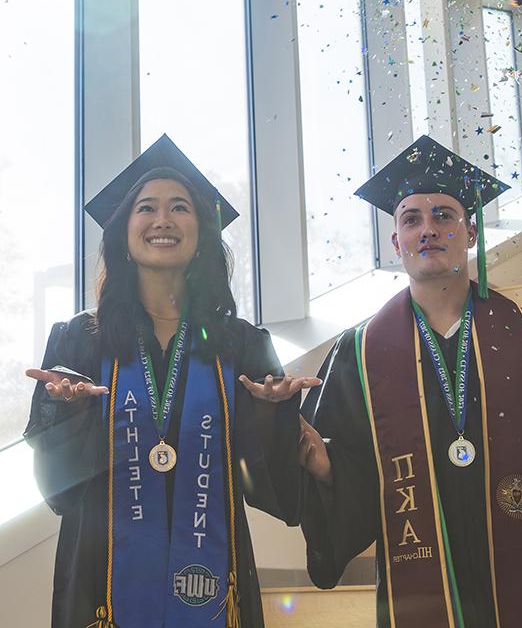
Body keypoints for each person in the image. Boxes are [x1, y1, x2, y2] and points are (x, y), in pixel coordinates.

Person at [25, 134, 320, 628]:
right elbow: (57, 491)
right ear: (123, 232)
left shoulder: (241, 345)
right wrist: (69, 413)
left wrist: (272, 413)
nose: (163, 220)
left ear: (202, 231)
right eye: (147, 208)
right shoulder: (80, 340)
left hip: (214, 574)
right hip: (101, 583)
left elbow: (270, 488)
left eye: (180, 207)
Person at [299, 135, 522, 627]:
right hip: (418, 593)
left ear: (471, 233)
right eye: (412, 219)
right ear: (396, 242)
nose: (428, 229)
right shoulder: (359, 355)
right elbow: (355, 478)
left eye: (443, 215)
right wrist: (325, 467)